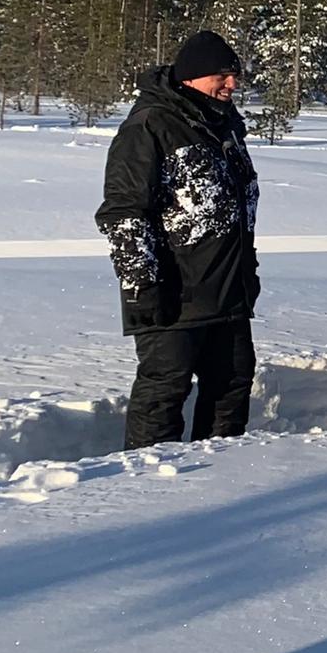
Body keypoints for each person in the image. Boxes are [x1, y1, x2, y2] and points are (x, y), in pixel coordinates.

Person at [94, 30, 261, 450]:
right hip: (172, 295)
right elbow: (124, 212)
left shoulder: (224, 127)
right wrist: (142, 285)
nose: (232, 84)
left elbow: (237, 209)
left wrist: (248, 270)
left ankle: (217, 480)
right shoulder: (150, 125)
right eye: (222, 76)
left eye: (235, 75)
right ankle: (148, 488)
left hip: (227, 293)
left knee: (232, 387)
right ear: (192, 76)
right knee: (163, 395)